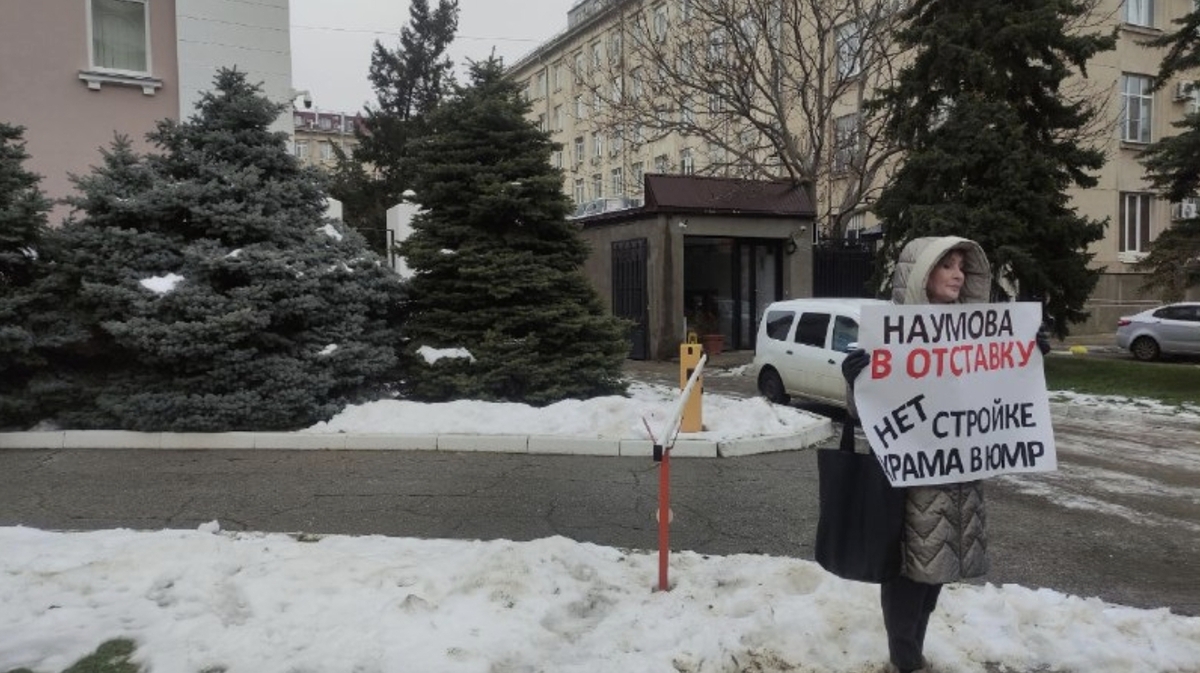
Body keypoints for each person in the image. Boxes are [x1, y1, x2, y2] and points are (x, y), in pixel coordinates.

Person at [840, 236, 1050, 673]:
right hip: (911, 483)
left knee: (935, 577)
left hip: (958, 480)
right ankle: (906, 659)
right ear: (922, 276)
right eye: (947, 266)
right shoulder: (892, 334)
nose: (958, 274)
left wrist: (1027, 355)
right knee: (907, 577)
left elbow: (995, 393)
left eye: (961, 267)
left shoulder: (976, 334)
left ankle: (913, 652)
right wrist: (855, 380)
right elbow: (868, 413)